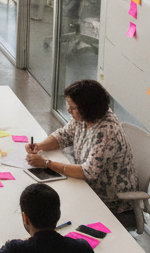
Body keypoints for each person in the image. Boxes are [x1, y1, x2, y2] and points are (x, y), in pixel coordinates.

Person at [25, 79, 139, 227]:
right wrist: (39, 146)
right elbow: (64, 135)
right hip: (84, 186)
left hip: (108, 200)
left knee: (51, 212)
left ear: (87, 108)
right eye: (68, 105)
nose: (68, 110)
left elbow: (87, 172)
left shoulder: (106, 132)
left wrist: (47, 163)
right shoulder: (83, 117)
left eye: (73, 107)